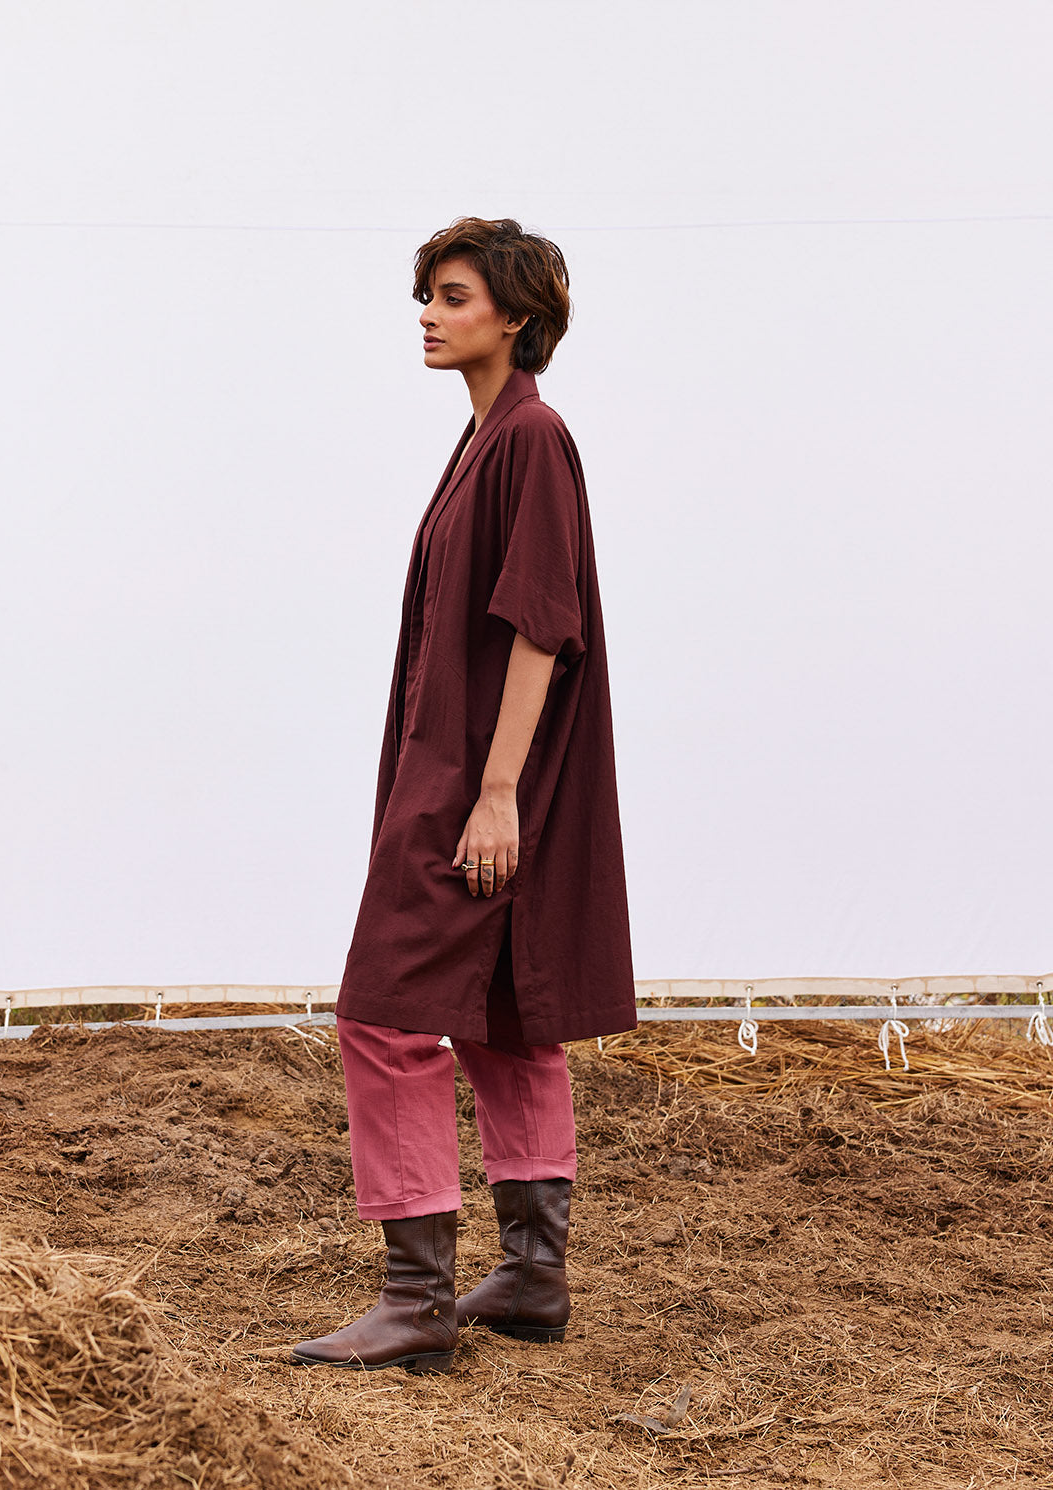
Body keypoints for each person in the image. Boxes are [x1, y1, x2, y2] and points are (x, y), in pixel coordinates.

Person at [292, 217, 636, 1374]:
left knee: (383, 1011)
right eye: (426, 296)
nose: (428, 315)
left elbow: (542, 624)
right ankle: (533, 1274)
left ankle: (416, 1296)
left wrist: (496, 794)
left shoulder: (531, 437)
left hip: (476, 779)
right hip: (462, 770)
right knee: (502, 1009)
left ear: (516, 314)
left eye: (452, 295)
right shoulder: (487, 438)